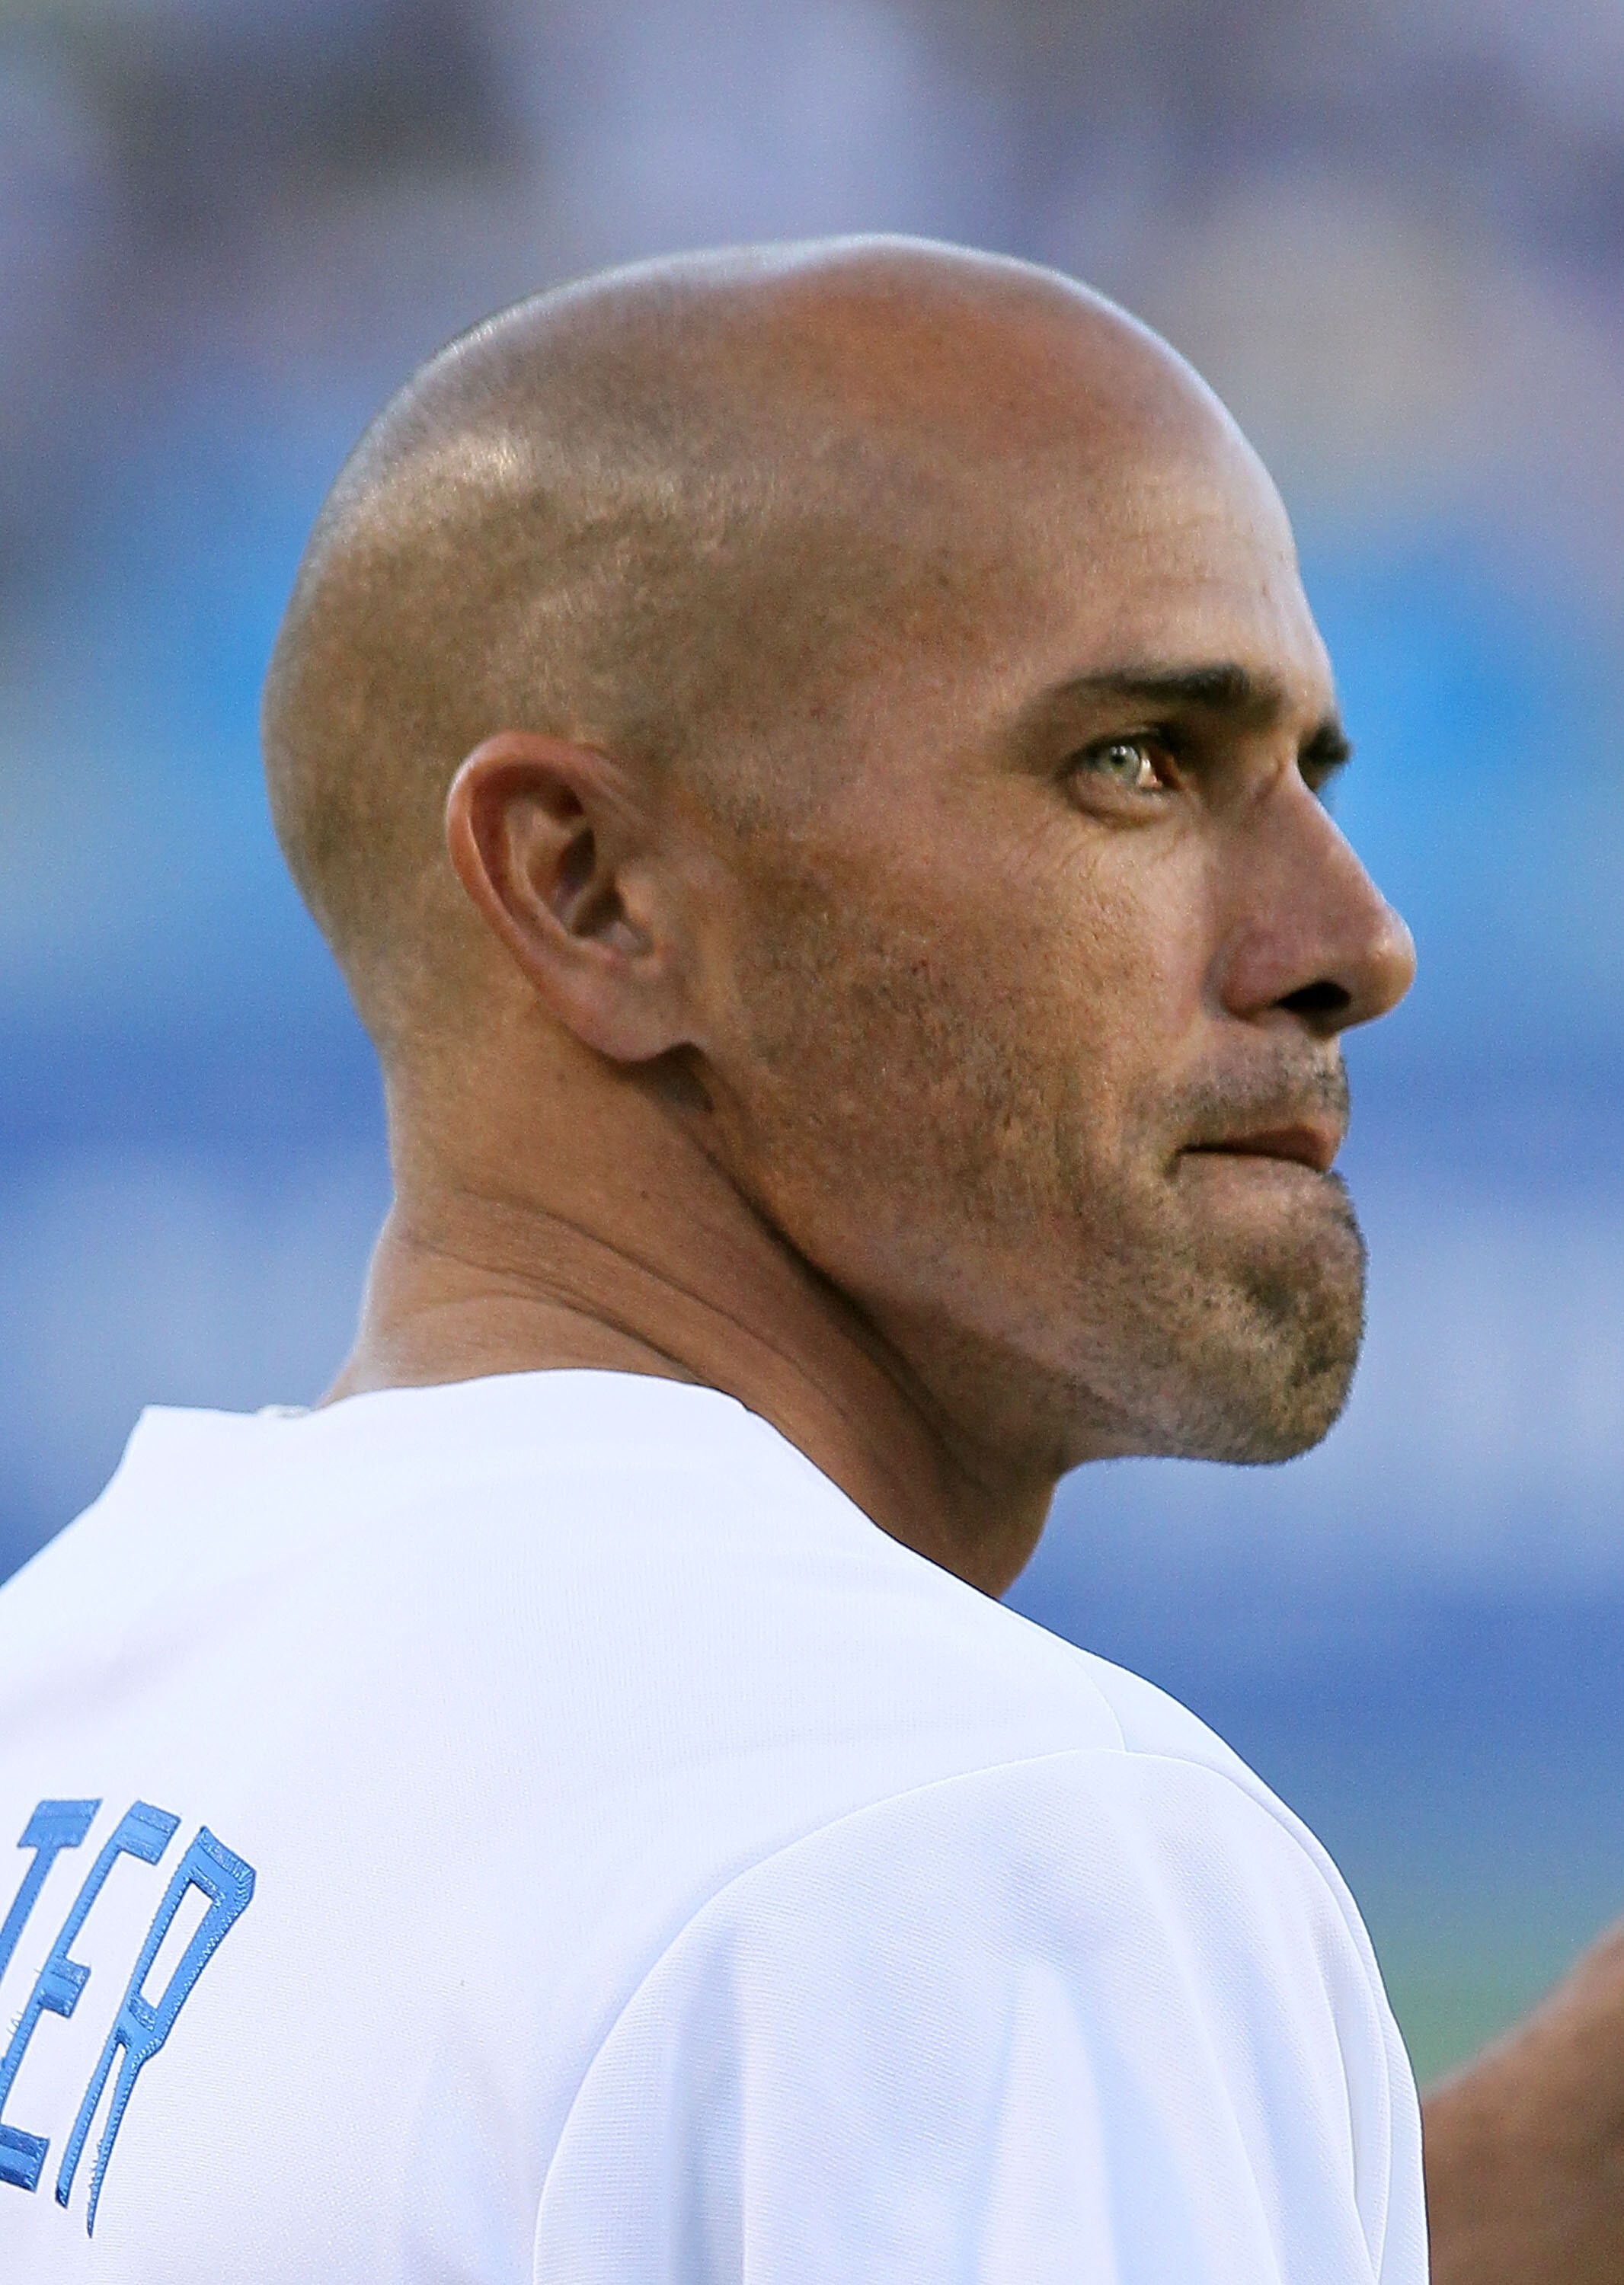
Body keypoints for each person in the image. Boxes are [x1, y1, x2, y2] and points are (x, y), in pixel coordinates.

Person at [0, 236, 1427, 2280]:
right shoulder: (976, 1839)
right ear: (591, 892)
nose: (1351, 941)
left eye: (1310, 775)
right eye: (1134, 761)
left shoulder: (71, 1687)